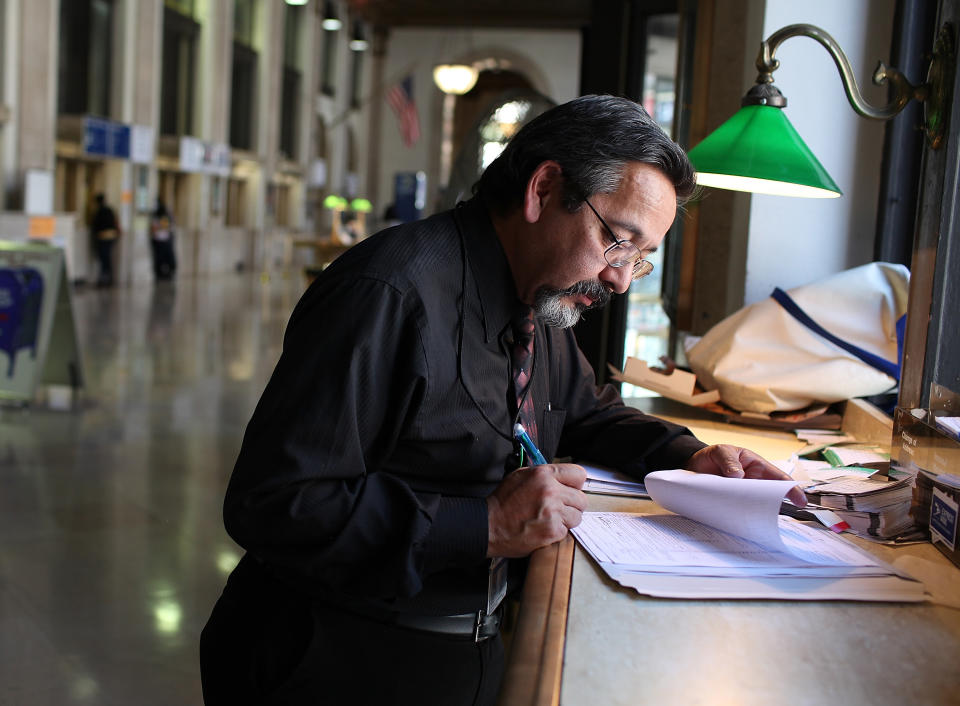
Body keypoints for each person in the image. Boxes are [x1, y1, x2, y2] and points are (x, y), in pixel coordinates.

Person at [199, 95, 806, 706]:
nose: (621, 277)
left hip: (470, 649)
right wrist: (482, 525)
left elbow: (586, 412)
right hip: (333, 661)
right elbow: (274, 503)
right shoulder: (388, 293)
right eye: (618, 242)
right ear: (543, 190)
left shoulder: (537, 301)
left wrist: (690, 456)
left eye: (640, 259)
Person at [89, 193, 121, 287]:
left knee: (104, 258)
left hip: (103, 237)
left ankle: (105, 278)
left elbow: (95, 225)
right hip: (111, 236)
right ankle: (108, 278)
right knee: (106, 257)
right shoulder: (109, 210)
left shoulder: (99, 211)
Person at [149, 197, 177, 281]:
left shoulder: (165, 216)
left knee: (164, 258)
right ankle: (161, 273)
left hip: (163, 240)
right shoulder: (157, 216)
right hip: (160, 240)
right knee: (160, 258)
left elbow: (169, 227)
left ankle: (165, 272)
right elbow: (154, 229)